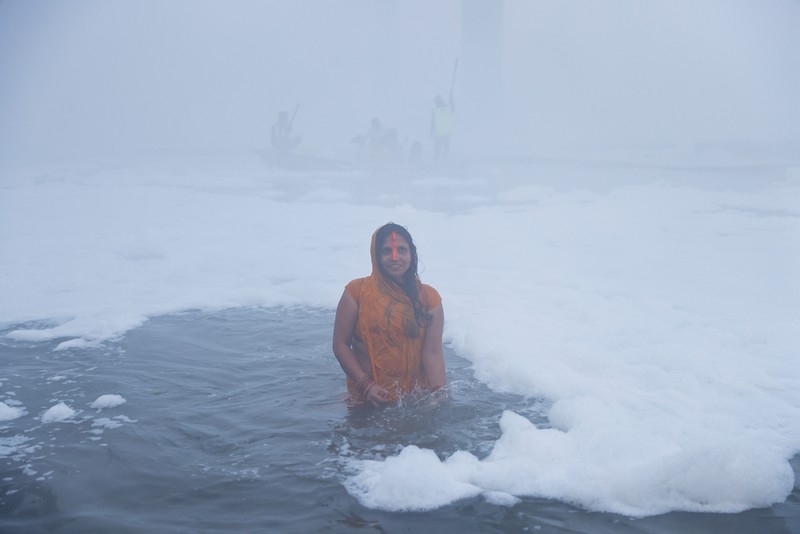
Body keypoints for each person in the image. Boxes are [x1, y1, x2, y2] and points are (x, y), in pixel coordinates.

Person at [332, 223, 446, 406]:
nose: (395, 257)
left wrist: (438, 397)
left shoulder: (428, 298)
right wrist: (366, 385)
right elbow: (340, 344)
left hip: (412, 401)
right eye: (386, 251)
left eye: (402, 250)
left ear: (412, 254)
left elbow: (432, 352)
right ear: (376, 256)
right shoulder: (356, 292)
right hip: (364, 401)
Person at [430, 94, 454, 162]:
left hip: (443, 131)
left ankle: (443, 160)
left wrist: (451, 101)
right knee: (438, 148)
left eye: (436, 102)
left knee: (442, 147)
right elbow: (433, 122)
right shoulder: (437, 109)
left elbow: (452, 110)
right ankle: (438, 160)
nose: (435, 103)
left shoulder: (444, 108)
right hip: (439, 132)